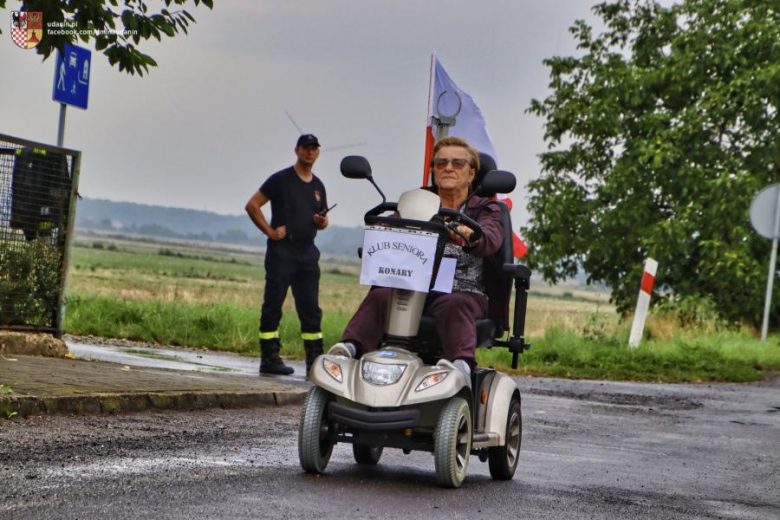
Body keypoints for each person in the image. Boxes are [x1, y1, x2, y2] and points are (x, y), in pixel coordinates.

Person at [330, 136, 506, 381]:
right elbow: (392, 224)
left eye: (457, 163)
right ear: (433, 170)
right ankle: (348, 351)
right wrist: (383, 231)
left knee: (455, 304)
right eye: (441, 163)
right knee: (381, 295)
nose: (448, 168)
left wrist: (470, 234)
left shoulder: (486, 208)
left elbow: (491, 237)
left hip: (462, 290)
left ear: (471, 173)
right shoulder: (417, 202)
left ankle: (461, 367)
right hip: (413, 286)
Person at [245, 134, 329, 376]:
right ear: (297, 150)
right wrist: (270, 232)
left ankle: (314, 361)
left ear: (318, 153)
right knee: (273, 305)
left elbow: (324, 221)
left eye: (314, 148)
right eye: (306, 147)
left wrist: (321, 222)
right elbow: (252, 205)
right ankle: (269, 358)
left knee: (311, 309)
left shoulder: (318, 186)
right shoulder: (281, 179)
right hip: (282, 252)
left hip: (308, 253)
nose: (310, 152)